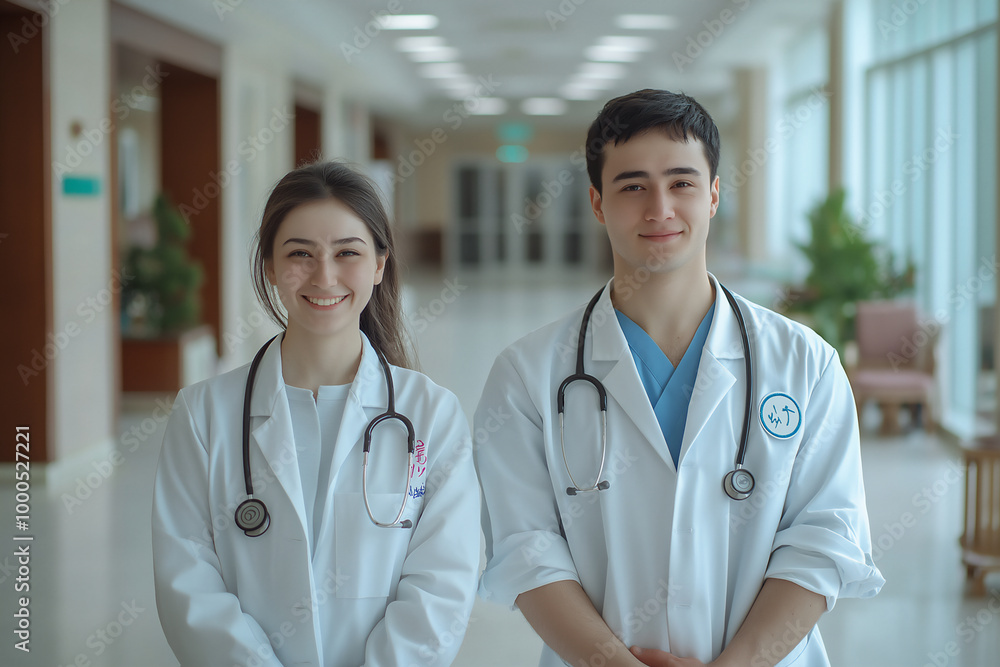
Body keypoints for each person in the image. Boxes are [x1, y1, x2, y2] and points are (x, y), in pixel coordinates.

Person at [474, 90, 884, 667]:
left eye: (683, 183)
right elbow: (526, 551)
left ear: (714, 195)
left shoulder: (805, 364)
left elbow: (824, 541)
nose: (659, 208)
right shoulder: (527, 376)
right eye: (632, 185)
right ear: (597, 202)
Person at [152, 161, 480, 667]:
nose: (324, 276)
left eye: (347, 253)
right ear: (269, 266)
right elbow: (187, 583)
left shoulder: (431, 414)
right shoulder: (203, 415)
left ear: (379, 264)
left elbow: (444, 582)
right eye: (299, 254)